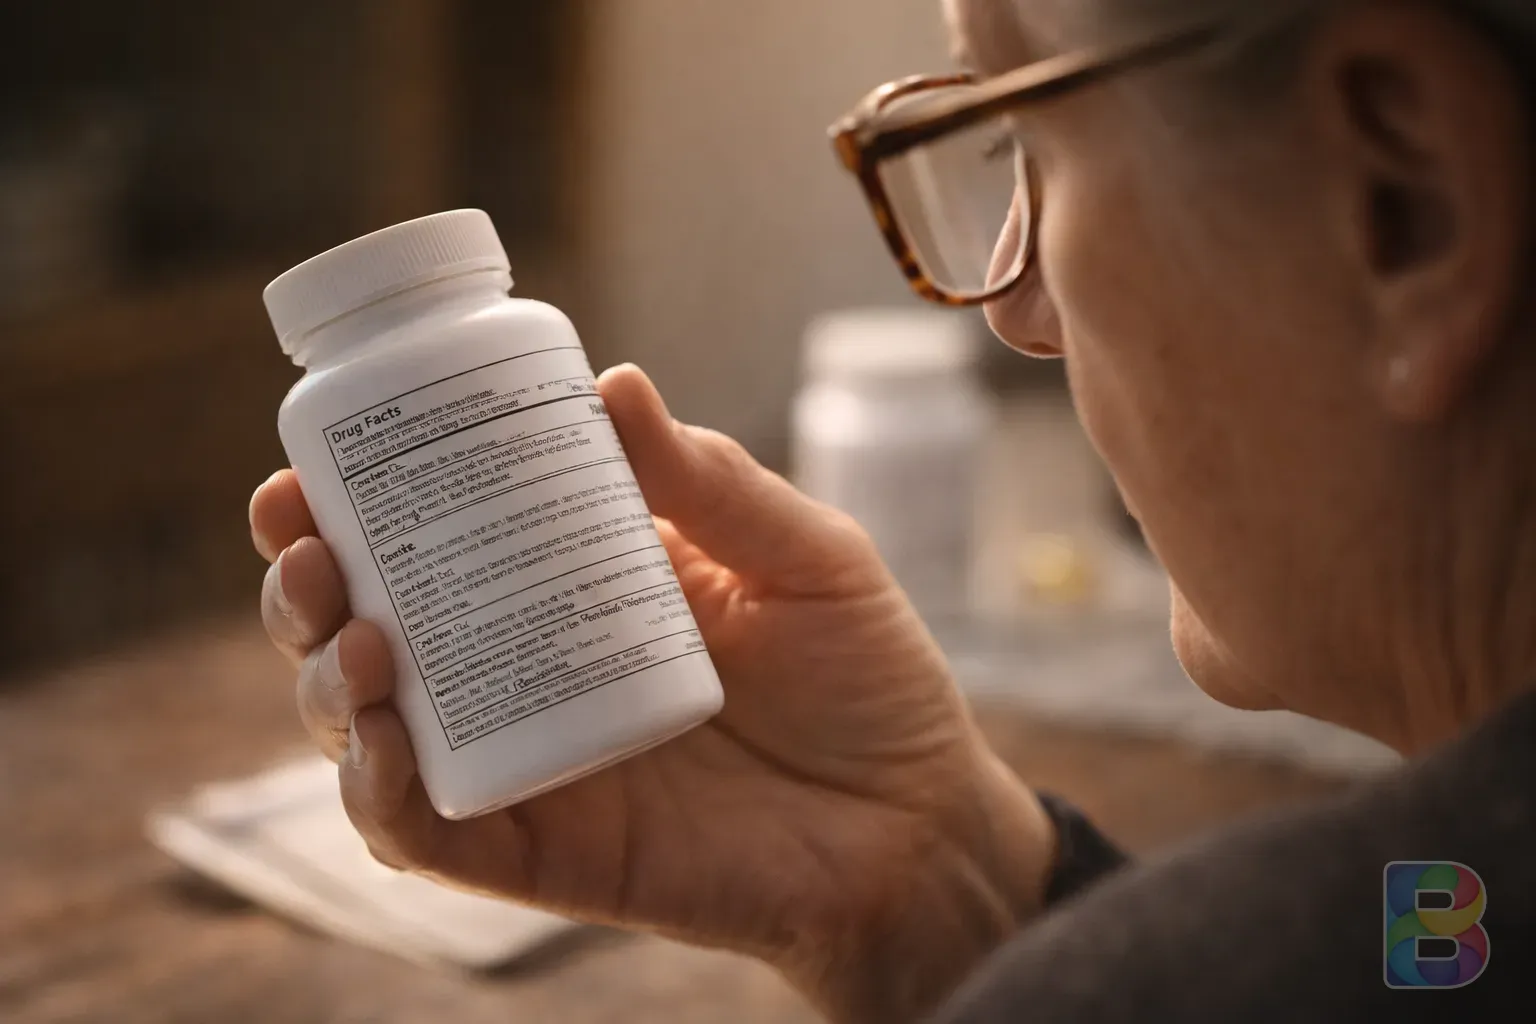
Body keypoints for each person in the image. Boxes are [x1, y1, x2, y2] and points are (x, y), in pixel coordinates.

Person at [249, 0, 1536, 1018]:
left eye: (1028, 139)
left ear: (1402, 204)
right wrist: (936, 883)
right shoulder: (1446, 920)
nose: (1017, 314)